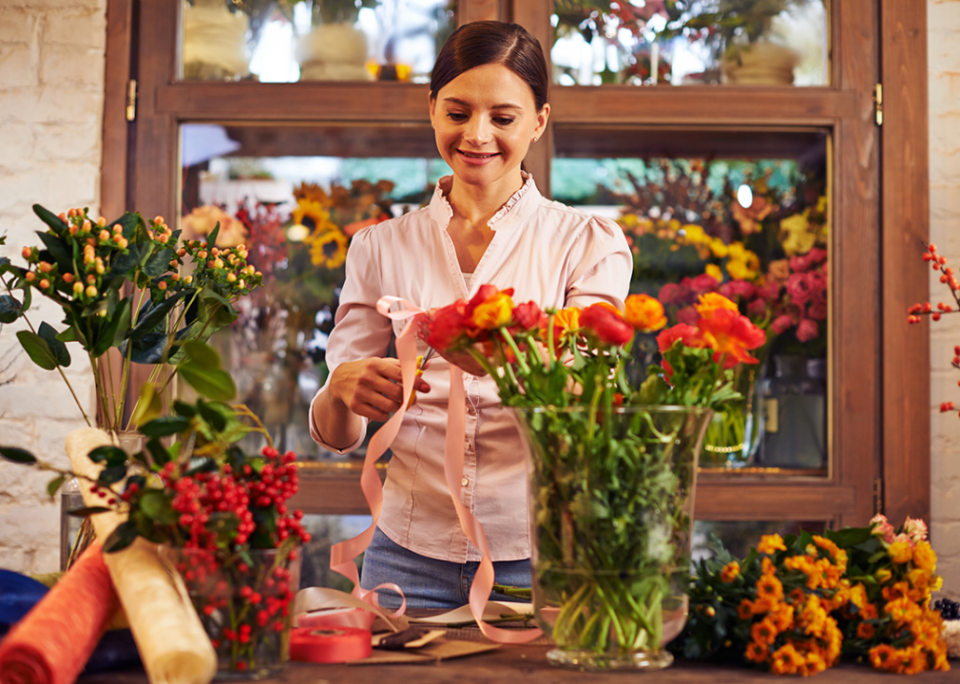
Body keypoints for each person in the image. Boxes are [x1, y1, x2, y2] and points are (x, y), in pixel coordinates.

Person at [309, 20, 632, 609]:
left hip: (540, 552)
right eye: (457, 113)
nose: (477, 135)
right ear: (432, 109)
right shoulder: (380, 247)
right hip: (403, 552)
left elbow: (591, 409)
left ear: (538, 120)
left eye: (503, 118)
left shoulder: (588, 243)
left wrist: (504, 357)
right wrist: (338, 390)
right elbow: (340, 435)